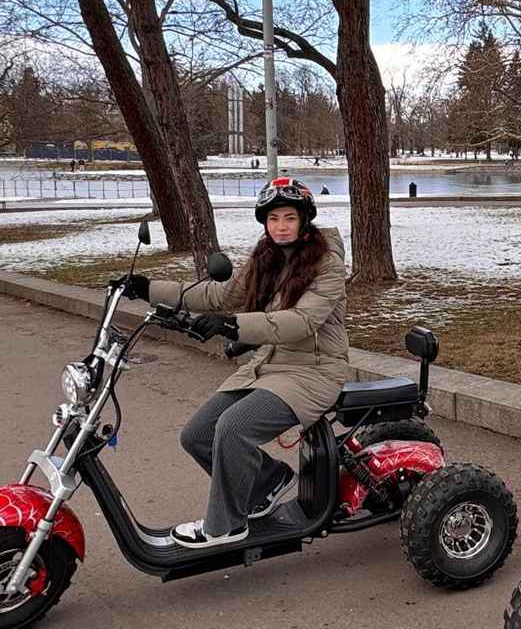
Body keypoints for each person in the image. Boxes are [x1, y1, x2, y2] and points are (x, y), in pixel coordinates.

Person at [114, 176, 349, 549]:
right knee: (197, 435)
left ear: (305, 219)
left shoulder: (327, 265)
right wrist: (146, 288)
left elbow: (300, 322)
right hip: (268, 365)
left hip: (313, 372)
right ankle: (267, 482)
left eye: (289, 218)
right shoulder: (265, 258)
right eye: (273, 219)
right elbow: (219, 296)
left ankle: (226, 525)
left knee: (233, 427)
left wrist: (232, 326)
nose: (281, 227)